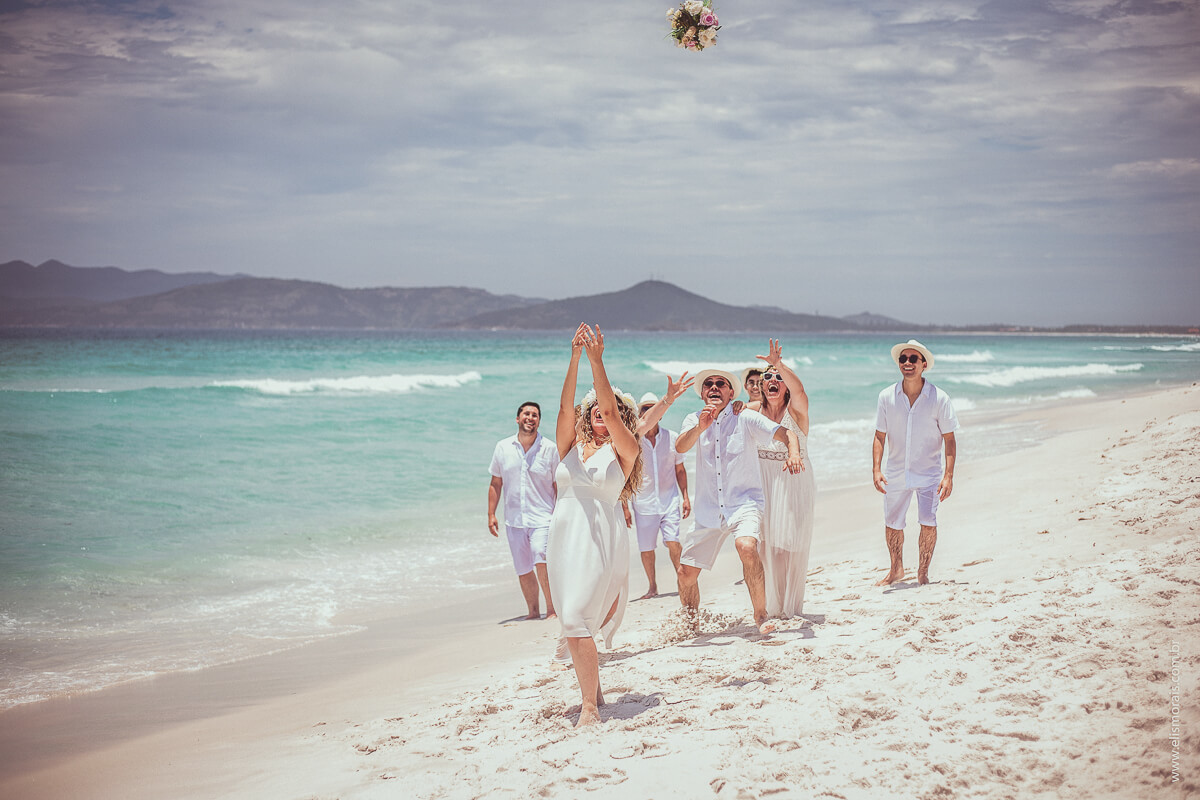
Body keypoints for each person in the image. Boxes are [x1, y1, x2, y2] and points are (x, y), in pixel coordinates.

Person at [546, 323, 645, 727]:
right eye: (596, 413)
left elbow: (608, 408)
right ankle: (596, 691)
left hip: (600, 539)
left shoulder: (626, 450)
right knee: (573, 615)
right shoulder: (569, 446)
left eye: (611, 413)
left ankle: (589, 707)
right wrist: (573, 359)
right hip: (564, 537)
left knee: (576, 615)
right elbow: (566, 409)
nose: (602, 417)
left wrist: (596, 361)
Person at [675, 367, 802, 635]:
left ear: (731, 392)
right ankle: (690, 623)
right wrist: (701, 426)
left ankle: (760, 614)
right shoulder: (693, 419)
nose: (714, 388)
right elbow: (681, 447)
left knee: (746, 546)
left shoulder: (743, 417)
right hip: (708, 509)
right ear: (702, 393)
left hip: (744, 503)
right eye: (708, 384)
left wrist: (794, 453)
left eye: (721, 384)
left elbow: (786, 433)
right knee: (685, 573)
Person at [872, 339, 958, 586]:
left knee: (928, 522)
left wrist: (948, 475)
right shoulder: (886, 396)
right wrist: (876, 469)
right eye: (903, 359)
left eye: (913, 359)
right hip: (895, 472)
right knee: (892, 523)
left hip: (929, 473)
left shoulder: (939, 398)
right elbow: (879, 435)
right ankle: (896, 569)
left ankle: (923, 572)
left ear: (923, 364)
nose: (907, 363)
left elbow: (950, 440)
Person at [748, 339, 815, 618]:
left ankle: (790, 606)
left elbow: (800, 389)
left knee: (789, 543)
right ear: (762, 386)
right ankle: (773, 606)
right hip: (762, 480)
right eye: (768, 378)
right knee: (767, 546)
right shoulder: (753, 411)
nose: (773, 381)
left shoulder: (796, 410)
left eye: (779, 378)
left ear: (785, 386)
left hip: (793, 478)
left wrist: (779, 365)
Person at [487, 401, 559, 619]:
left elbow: (558, 484)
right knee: (523, 568)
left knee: (541, 557)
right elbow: (495, 483)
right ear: (517, 419)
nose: (530, 417)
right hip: (514, 520)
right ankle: (533, 611)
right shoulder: (502, 447)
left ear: (539, 421)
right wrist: (491, 514)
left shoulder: (550, 448)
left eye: (535, 415)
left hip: (544, 518)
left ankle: (552, 609)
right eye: (526, 414)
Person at [625, 388, 693, 600]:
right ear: (640, 414)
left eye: (652, 408)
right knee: (646, 548)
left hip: (669, 500)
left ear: (660, 412)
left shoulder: (672, 438)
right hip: (642, 504)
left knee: (673, 540)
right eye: (645, 409)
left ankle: (683, 580)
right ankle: (652, 587)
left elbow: (679, 470)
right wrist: (624, 506)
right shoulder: (632, 441)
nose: (649, 412)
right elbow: (625, 475)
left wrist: (686, 497)